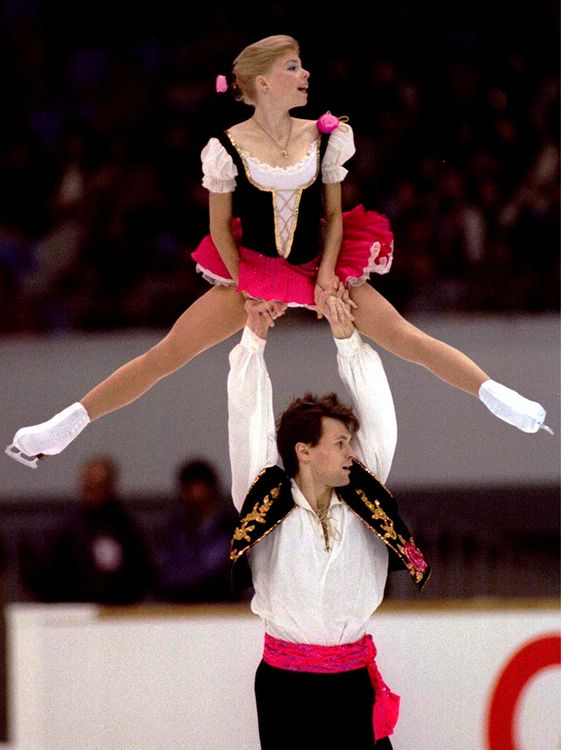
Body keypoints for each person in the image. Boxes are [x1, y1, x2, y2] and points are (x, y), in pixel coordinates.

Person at [5, 34, 550, 469]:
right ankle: (66, 423)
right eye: (293, 67)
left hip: (323, 262)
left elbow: (333, 215)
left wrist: (328, 277)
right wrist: (246, 283)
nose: (305, 73)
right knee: (166, 355)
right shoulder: (224, 148)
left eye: (303, 65)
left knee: (409, 339)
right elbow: (220, 228)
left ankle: (498, 397)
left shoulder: (328, 134)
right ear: (262, 82)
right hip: (255, 267)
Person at [228, 293, 428, 749]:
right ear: (303, 450)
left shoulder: (364, 497)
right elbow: (246, 420)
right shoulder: (263, 498)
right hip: (285, 688)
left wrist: (348, 340)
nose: (350, 453)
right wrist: (253, 343)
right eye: (339, 443)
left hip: (351, 683)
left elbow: (382, 420)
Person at [18, 455, 154, 604]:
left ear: (109, 487)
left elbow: (141, 570)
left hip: (118, 608)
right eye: (88, 486)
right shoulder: (67, 528)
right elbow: (50, 572)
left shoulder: (126, 527)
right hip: (76, 608)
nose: (92, 492)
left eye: (98, 486)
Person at [155, 457, 239, 603]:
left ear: (212, 490)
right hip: (178, 603)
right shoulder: (175, 528)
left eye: (200, 489)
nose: (196, 496)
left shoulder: (231, 527)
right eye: (189, 490)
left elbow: (219, 570)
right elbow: (165, 567)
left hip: (223, 604)